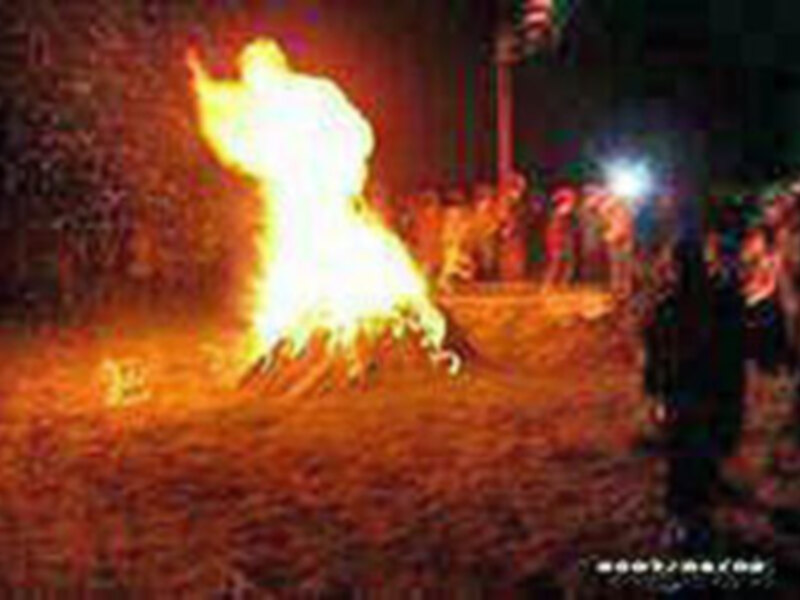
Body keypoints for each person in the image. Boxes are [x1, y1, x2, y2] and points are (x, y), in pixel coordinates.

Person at [543, 186, 577, 288]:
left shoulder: (565, 215)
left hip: (564, 240)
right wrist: (555, 242)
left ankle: (561, 283)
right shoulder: (558, 214)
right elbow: (553, 231)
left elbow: (570, 228)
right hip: (558, 240)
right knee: (556, 262)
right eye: (569, 201)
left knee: (567, 262)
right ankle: (548, 284)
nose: (571, 204)